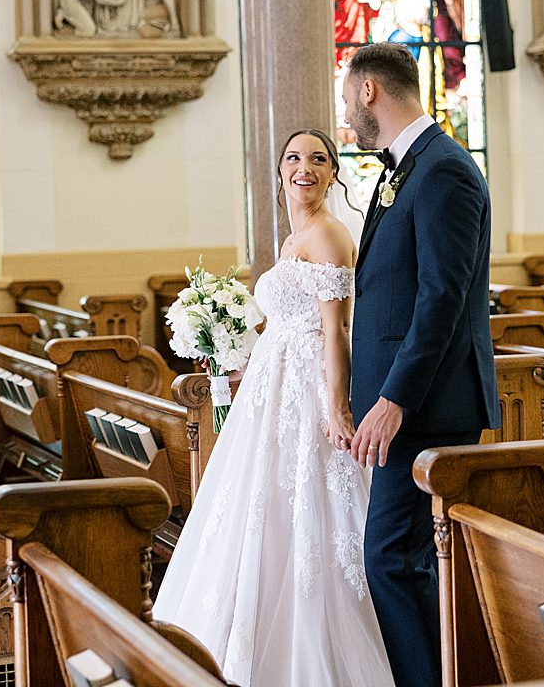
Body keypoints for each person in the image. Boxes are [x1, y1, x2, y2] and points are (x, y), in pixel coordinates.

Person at [154, 128, 395, 687]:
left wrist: (337, 408)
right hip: (273, 382)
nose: (303, 167)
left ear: (333, 172)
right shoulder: (294, 239)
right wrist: (242, 365)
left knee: (310, 504)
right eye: (293, 158)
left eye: (317, 158)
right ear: (279, 172)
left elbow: (336, 334)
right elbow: (289, 324)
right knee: (257, 505)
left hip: (310, 388)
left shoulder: (330, 236)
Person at [342, 42, 499, 687]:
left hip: (430, 406)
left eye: (348, 99)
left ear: (371, 90)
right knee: (402, 557)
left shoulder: (443, 171)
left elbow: (443, 299)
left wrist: (395, 397)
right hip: (407, 403)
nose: (345, 115)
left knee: (391, 557)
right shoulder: (402, 168)